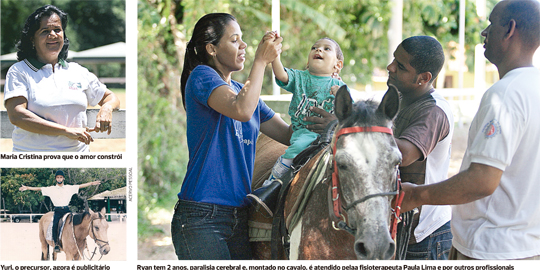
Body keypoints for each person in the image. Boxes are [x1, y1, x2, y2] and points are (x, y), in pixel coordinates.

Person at [401, 0, 540, 260]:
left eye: (490, 24)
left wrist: (416, 195)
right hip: (527, 246)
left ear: (510, 29)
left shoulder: (506, 94)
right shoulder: (534, 88)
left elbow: (482, 180)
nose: (484, 33)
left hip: (492, 248)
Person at [172, 13, 289, 260]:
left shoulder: (242, 91)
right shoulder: (201, 77)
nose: (244, 46)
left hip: (240, 216)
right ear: (212, 49)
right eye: (235, 40)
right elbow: (242, 110)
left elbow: (288, 135)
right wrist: (260, 62)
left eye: (242, 40)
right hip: (202, 217)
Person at [247, 36, 346, 216]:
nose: (319, 50)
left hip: (329, 135)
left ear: (337, 65)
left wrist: (340, 95)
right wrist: (275, 55)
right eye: (315, 47)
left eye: (326, 49)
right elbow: (281, 75)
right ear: (308, 61)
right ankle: (272, 185)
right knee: (298, 148)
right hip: (305, 132)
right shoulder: (301, 78)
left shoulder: (339, 86)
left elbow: (348, 112)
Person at [3, 5, 120, 152]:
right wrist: (65, 131)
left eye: (57, 30)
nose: (53, 34)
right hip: (34, 160)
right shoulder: (19, 71)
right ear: (32, 39)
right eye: (45, 31)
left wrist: (107, 108)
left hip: (78, 159)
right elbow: (17, 115)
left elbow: (110, 96)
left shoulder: (77, 71)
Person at [386, 36, 453, 260]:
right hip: (399, 227)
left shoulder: (434, 111)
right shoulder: (398, 98)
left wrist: (350, 126)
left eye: (401, 66)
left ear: (423, 78)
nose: (390, 67)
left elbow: (402, 154)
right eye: (394, 60)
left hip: (424, 238)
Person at [19, 170, 101, 253]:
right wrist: (27, 188)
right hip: (57, 210)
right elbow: (39, 188)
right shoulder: (51, 189)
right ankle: (56, 244)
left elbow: (80, 186)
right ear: (56, 179)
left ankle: (79, 242)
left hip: (66, 209)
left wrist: (91, 183)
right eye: (57, 177)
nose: (59, 179)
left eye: (60, 177)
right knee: (55, 225)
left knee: (76, 224)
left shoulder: (69, 188)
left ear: (63, 178)